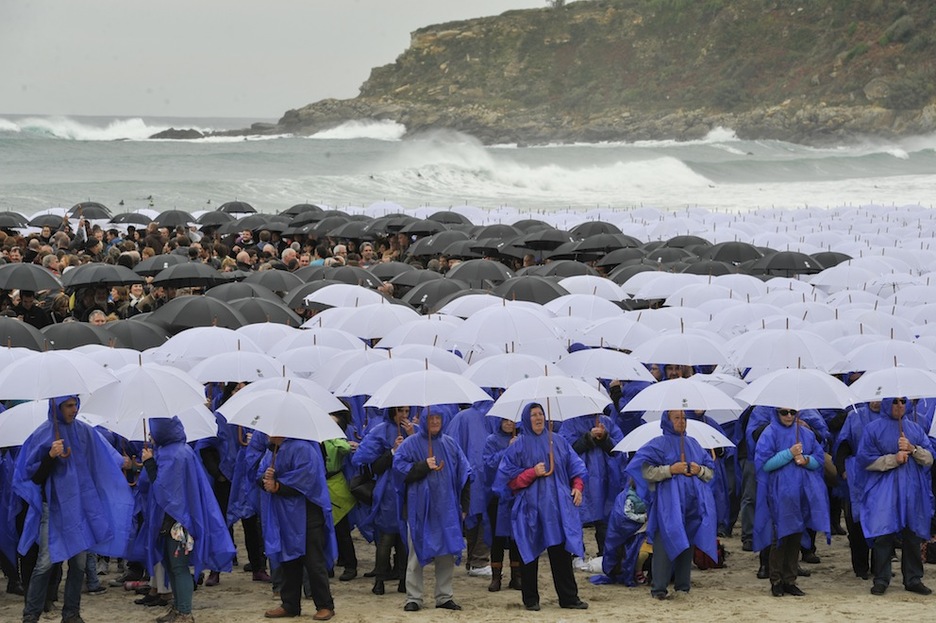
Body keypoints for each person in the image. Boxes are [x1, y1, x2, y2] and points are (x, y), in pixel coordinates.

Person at [13, 395, 135, 623]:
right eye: (69, 406)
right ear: (57, 407)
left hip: (81, 509)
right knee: (45, 563)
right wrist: (50, 456)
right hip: (53, 509)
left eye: (75, 405)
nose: (74, 410)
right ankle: (31, 615)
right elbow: (33, 477)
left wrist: (123, 462)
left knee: (78, 565)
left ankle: (71, 613)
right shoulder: (43, 434)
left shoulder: (85, 432)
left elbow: (102, 458)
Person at [138, 417, 236, 623]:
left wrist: (149, 464)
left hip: (178, 522)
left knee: (178, 567)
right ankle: (178, 608)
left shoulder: (175, 455)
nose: (150, 434)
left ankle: (184, 613)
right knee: (171, 566)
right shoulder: (173, 452)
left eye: (153, 429)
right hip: (172, 520)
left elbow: (165, 491)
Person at [493, 403, 588, 612]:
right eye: (534, 414)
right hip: (529, 508)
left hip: (557, 507)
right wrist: (531, 473)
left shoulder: (559, 441)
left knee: (561, 553)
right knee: (529, 552)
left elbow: (576, 468)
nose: (538, 418)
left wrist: (578, 487)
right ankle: (530, 599)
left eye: (541, 414)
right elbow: (509, 481)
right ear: (526, 419)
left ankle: (569, 597)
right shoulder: (517, 446)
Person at [626, 410, 718, 600]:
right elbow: (643, 470)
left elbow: (710, 471)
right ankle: (659, 587)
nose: (681, 421)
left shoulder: (694, 444)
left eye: (684, 418)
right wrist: (670, 469)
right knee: (664, 541)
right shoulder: (657, 444)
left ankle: (683, 585)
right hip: (668, 503)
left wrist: (699, 470)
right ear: (667, 421)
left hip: (692, 502)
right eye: (676, 418)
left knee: (688, 542)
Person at [393, 411, 471, 612]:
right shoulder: (409, 444)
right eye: (430, 418)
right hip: (418, 510)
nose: (435, 421)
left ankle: (444, 596)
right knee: (415, 554)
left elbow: (465, 474)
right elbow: (399, 471)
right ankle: (413, 597)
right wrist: (422, 466)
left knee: (446, 553)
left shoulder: (451, 444)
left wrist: (464, 506)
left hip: (446, 509)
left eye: (438, 418)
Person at [857, 396, 934, 596]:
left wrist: (913, 449)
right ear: (886, 403)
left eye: (902, 401)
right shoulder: (872, 429)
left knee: (913, 533)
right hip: (884, 489)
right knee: (884, 534)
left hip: (912, 489)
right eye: (894, 402)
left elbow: (929, 458)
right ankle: (881, 578)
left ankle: (913, 578)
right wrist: (894, 459)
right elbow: (865, 460)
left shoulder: (915, 429)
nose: (899, 405)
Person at [259, 434, 337, 621]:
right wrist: (265, 479)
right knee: (288, 561)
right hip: (285, 515)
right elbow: (258, 474)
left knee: (313, 561)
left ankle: (325, 605)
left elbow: (306, 480)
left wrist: (278, 486)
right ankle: (290, 604)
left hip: (307, 513)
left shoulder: (303, 448)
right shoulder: (272, 451)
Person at [753, 407, 828, 597]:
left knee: (796, 536)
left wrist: (806, 460)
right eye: (784, 412)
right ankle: (776, 580)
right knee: (780, 536)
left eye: (792, 412)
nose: (788, 416)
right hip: (778, 493)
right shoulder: (769, 433)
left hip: (801, 492)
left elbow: (819, 459)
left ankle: (790, 579)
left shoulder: (806, 434)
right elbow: (764, 464)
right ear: (776, 413)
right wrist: (788, 453)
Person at [481, 417, 522, 591]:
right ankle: (496, 576)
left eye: (512, 421)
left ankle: (516, 576)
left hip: (516, 492)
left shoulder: (522, 439)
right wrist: (508, 449)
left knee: (516, 536)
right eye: (505, 420)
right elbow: (489, 463)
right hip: (496, 494)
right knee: (497, 537)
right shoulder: (492, 440)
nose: (508, 424)